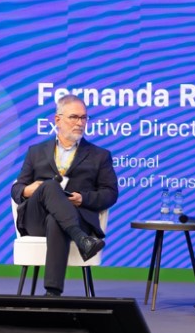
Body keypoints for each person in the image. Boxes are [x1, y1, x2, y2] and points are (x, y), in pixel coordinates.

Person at [11, 95, 119, 296]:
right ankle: (82, 239)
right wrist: (28, 190)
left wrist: (83, 198)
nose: (80, 123)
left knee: (57, 219)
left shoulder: (99, 155)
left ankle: (52, 293)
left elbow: (110, 194)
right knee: (50, 186)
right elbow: (16, 189)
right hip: (37, 219)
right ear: (58, 119)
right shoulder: (36, 152)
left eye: (84, 118)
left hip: (76, 216)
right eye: (74, 117)